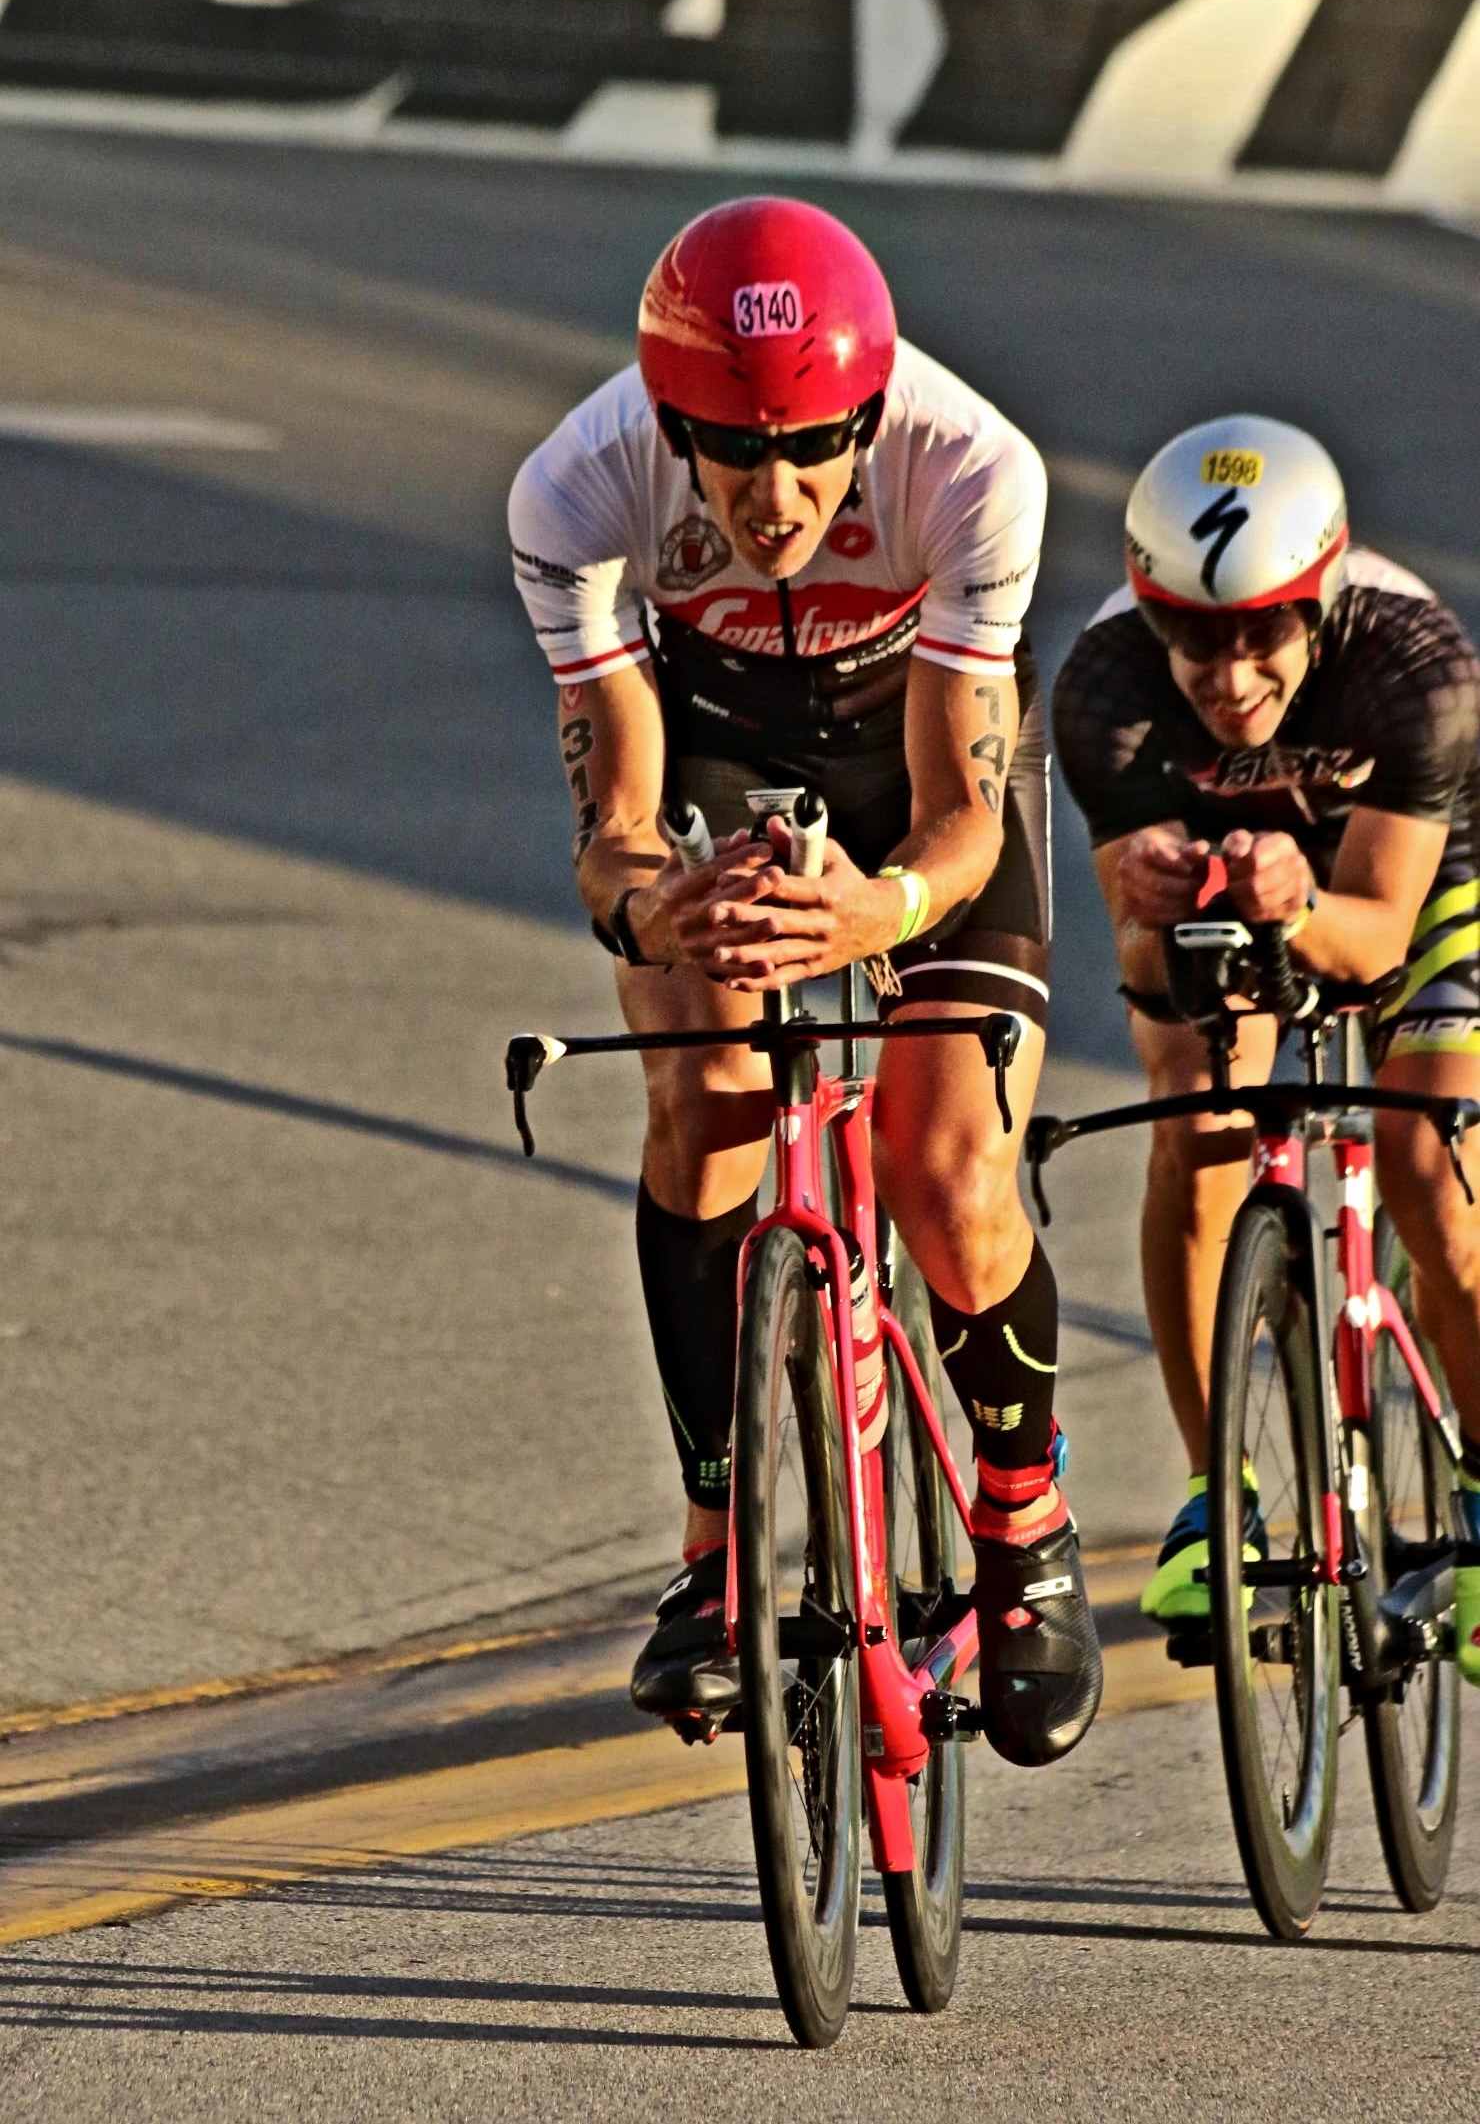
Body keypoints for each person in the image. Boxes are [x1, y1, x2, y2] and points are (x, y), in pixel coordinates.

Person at [508, 195, 1101, 1767]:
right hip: (714, 748)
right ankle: (715, 1552)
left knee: (948, 1168)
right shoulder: (576, 483)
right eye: (731, 454)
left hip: (917, 773)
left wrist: (882, 908)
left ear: (871, 417)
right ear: (670, 426)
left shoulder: (974, 467)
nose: (773, 499)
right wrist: (662, 909)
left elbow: (965, 814)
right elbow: (614, 828)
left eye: (814, 451)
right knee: (702, 1100)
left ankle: (1024, 1521)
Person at [1051, 413, 1480, 1682]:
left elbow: (1377, 936)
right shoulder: (1105, 689)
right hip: (1230, 878)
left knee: (1423, 1160)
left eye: (1261, 635)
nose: (1229, 676)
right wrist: (1157, 905)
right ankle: (1213, 1496)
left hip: (1414, 871)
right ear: (1151, 614)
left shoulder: (1413, 666)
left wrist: (1293, 903)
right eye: (1195, 636)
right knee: (1194, 1113)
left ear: (1318, 606)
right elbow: (1145, 982)